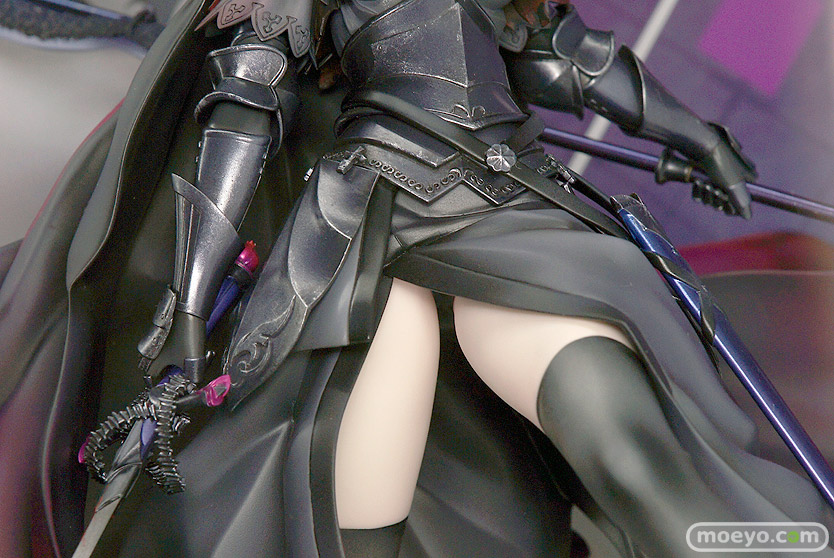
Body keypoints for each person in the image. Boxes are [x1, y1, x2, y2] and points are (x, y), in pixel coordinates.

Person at [1, 0, 830, 556]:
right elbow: (245, 114)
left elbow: (562, 58)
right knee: (347, 508)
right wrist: (187, 310)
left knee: (630, 445)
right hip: (371, 229)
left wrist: (699, 138)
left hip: (511, 212)